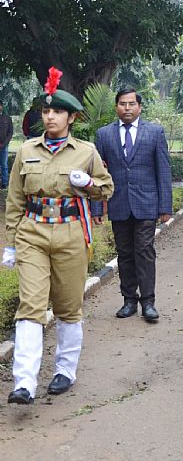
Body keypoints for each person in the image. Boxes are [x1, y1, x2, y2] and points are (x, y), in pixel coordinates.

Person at [5, 68, 114, 404]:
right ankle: (23, 382)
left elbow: (107, 189)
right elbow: (15, 199)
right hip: (33, 233)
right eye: (46, 111)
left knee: (68, 307)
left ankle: (65, 370)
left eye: (57, 112)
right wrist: (10, 243)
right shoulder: (26, 151)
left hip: (70, 234)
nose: (50, 116)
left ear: (71, 117)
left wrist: (89, 185)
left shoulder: (86, 151)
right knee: (30, 307)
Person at [93, 88, 172, 321]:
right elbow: (97, 174)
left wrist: (165, 206)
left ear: (139, 106)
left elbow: (163, 170)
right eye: (122, 104)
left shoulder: (154, 132)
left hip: (147, 202)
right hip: (118, 203)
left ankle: (149, 302)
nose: (127, 108)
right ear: (116, 107)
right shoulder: (104, 135)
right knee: (124, 253)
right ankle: (129, 300)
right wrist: (97, 206)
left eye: (131, 104)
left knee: (145, 251)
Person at [0, 104, 13, 188]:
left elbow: (10, 132)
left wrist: (4, 143)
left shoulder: (7, 118)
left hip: (4, 145)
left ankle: (5, 183)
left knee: (4, 165)